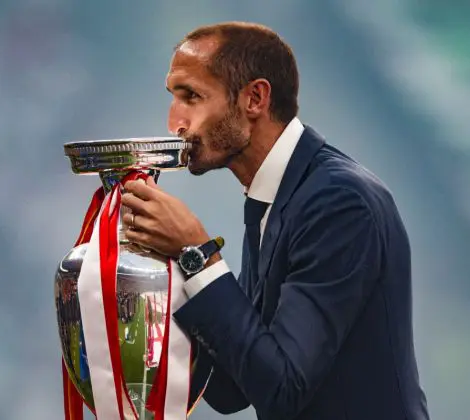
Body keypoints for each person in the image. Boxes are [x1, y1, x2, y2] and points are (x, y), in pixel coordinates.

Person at [120, 21, 430, 420]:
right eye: (174, 98)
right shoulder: (276, 194)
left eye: (192, 96)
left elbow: (283, 388)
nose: (175, 124)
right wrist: (163, 272)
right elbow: (234, 389)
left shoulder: (339, 203)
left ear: (254, 99)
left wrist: (195, 254)